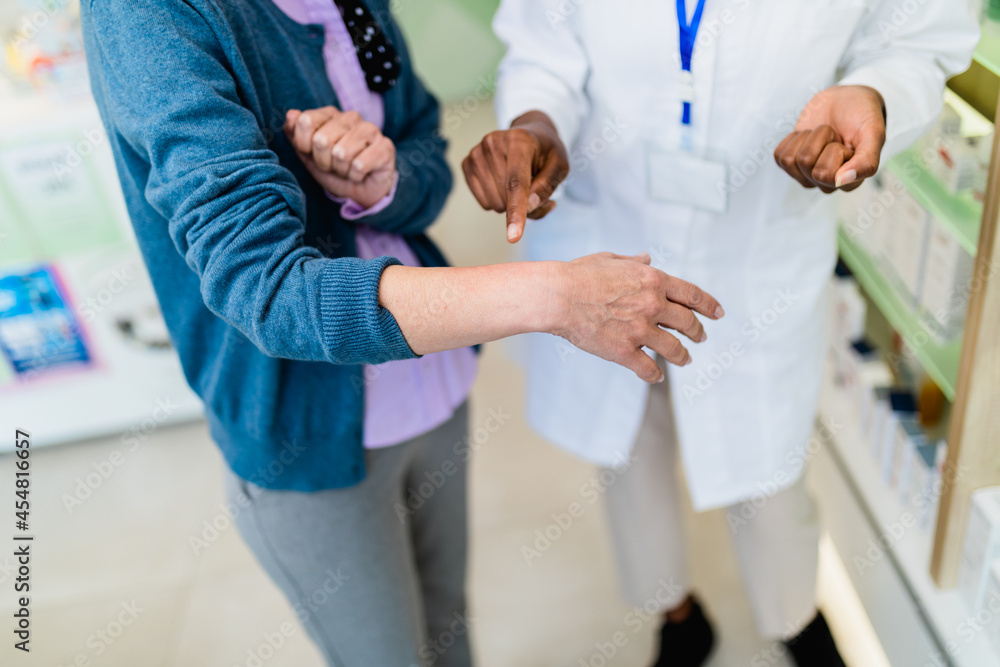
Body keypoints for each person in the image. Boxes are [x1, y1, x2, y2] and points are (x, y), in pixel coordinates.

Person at [80, 0, 726, 664]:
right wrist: (559, 297)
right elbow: (267, 287)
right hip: (309, 431)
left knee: (447, 626)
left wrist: (382, 184)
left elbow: (425, 156)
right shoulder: (145, 16)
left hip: (430, 383)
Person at [463, 1, 979, 665]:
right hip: (610, 219)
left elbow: (918, 38)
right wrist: (538, 124)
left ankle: (794, 616)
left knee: (766, 464)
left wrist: (874, 94)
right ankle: (675, 615)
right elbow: (543, 45)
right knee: (627, 446)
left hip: (756, 239)